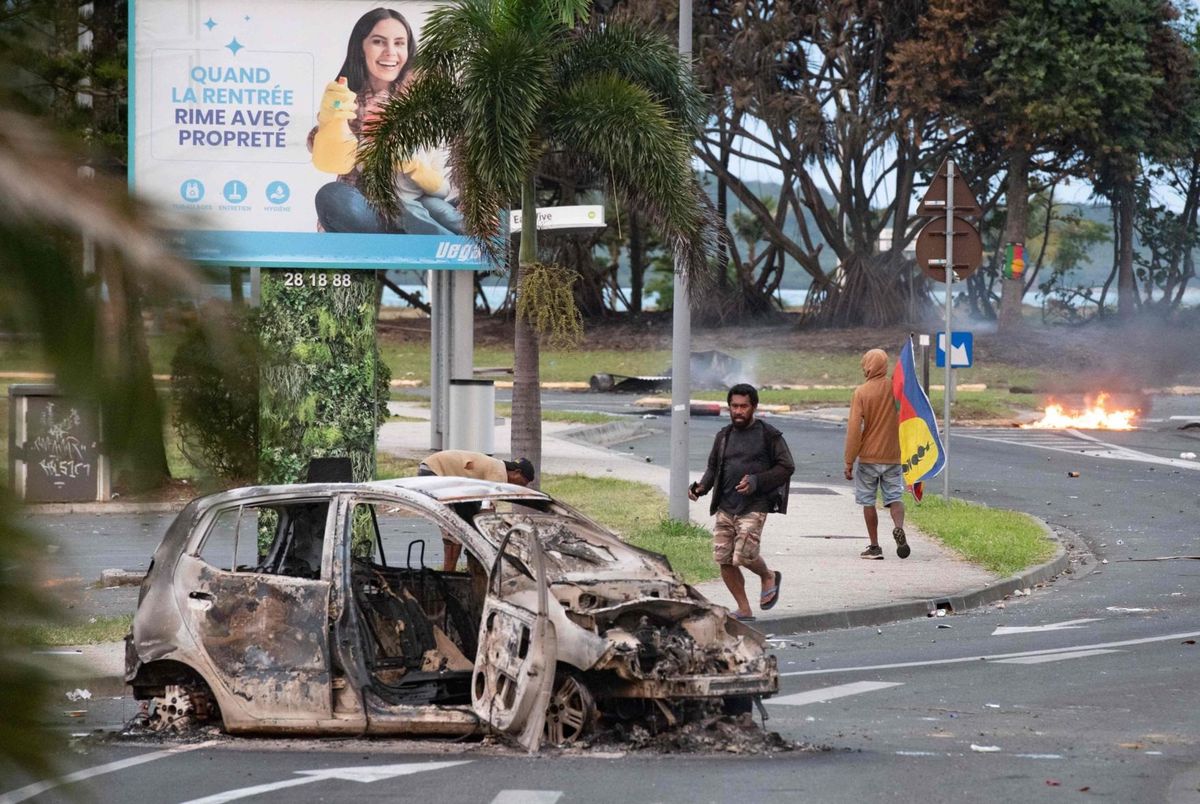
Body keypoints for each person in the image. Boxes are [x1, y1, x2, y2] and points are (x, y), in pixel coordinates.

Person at [309, 7, 463, 235]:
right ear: (361, 48)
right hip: (373, 211)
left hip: (425, 202)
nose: (390, 52)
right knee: (332, 196)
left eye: (399, 43)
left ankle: (469, 243)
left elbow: (447, 171)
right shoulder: (347, 99)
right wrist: (332, 122)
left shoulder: (431, 110)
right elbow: (335, 159)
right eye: (379, 42)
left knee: (445, 209)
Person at [689, 383, 793, 622]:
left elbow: (787, 466)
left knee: (745, 555)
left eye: (743, 406)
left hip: (754, 505)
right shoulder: (723, 436)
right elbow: (713, 468)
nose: (738, 411)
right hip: (726, 506)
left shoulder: (769, 435)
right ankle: (744, 608)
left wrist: (757, 481)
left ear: (753, 407)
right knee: (724, 560)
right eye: (734, 406)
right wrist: (701, 487)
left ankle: (768, 575)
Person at [417, 450, 535, 571]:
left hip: (433, 469)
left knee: (466, 523)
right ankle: (448, 574)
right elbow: (486, 510)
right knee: (453, 531)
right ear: (517, 472)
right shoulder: (499, 474)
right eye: (523, 483)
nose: (522, 487)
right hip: (435, 472)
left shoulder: (494, 467)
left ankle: (464, 571)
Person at [844, 348, 910, 560]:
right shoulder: (897, 389)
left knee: (868, 501)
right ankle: (898, 527)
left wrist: (849, 460)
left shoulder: (861, 392)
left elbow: (855, 428)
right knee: (894, 497)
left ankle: (874, 546)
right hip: (894, 455)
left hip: (869, 457)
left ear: (868, 365)